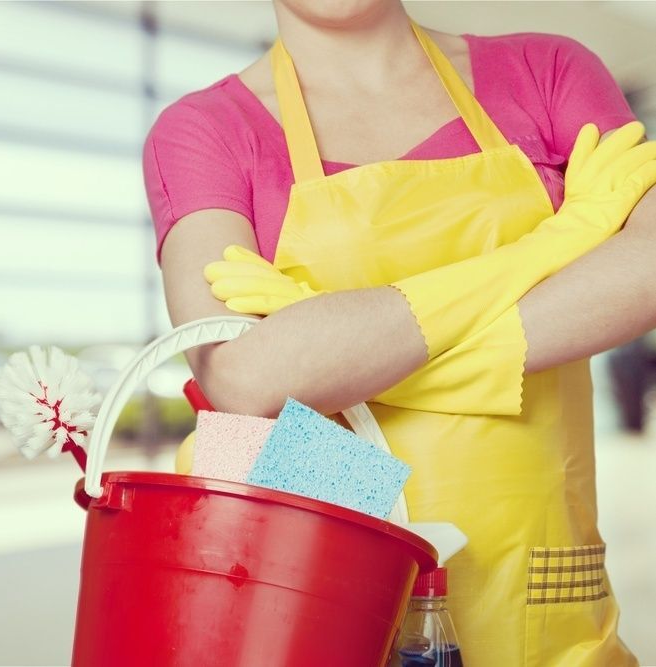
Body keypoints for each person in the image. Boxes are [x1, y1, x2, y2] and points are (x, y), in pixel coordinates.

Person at [142, 1, 656, 664]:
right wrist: (560, 243)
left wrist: (337, 345)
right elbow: (244, 377)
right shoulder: (204, 130)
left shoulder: (545, 71)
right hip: (329, 602)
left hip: (545, 612)